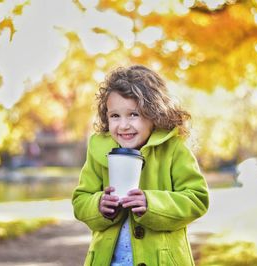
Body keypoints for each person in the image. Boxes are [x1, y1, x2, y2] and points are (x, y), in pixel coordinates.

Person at [72, 65, 209, 265]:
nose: (123, 125)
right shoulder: (98, 150)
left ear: (154, 115)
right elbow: (80, 200)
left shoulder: (173, 149)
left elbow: (197, 198)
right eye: (115, 116)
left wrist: (151, 203)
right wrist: (98, 205)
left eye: (133, 114)